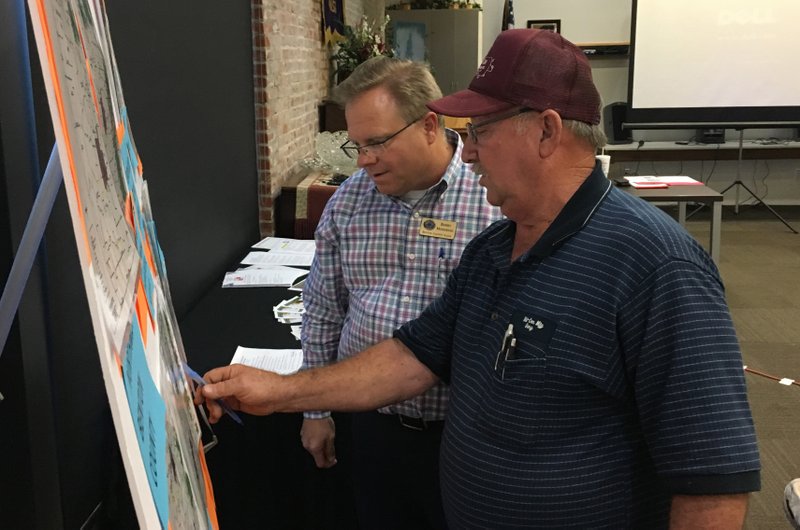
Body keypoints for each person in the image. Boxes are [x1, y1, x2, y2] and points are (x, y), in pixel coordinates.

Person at [198, 29, 761, 528]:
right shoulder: (494, 250)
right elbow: (410, 359)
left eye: (480, 133)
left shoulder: (657, 265)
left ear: (546, 131)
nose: (465, 154)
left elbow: (712, 478)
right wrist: (283, 392)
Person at [299, 56, 501, 529]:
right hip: (372, 430)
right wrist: (316, 409)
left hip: (466, 435)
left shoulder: (492, 196)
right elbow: (324, 308)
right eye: (357, 145)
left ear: (429, 124)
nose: (364, 159)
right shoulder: (349, 200)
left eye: (377, 143)